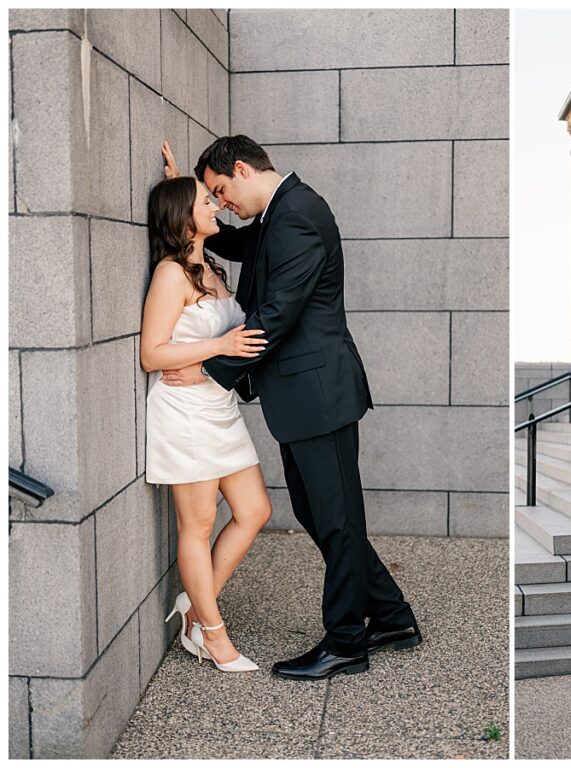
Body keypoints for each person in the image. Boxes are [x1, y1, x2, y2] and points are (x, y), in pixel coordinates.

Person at [159, 137, 420, 681]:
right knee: (322, 512)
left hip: (318, 394)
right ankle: (392, 616)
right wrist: (188, 199)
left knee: (337, 517)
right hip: (306, 396)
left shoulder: (296, 214)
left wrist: (210, 368)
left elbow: (278, 313)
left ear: (241, 168)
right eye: (213, 198)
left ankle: (347, 640)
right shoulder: (280, 210)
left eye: (221, 191)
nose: (222, 203)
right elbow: (236, 246)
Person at [141, 175, 272, 673]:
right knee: (197, 525)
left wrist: (179, 175)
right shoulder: (171, 274)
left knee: (255, 510)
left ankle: (195, 611)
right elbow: (152, 353)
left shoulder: (209, 267)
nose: (216, 204)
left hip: (218, 406)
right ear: (182, 217)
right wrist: (217, 348)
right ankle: (213, 636)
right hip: (185, 411)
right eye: (205, 200)